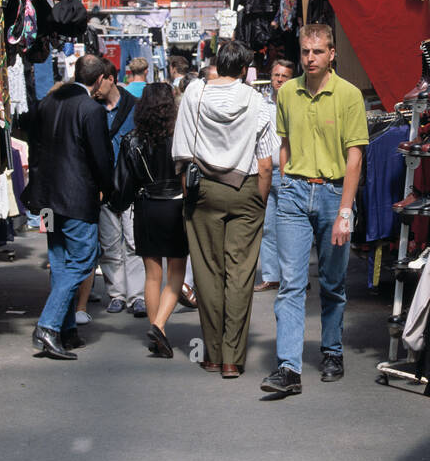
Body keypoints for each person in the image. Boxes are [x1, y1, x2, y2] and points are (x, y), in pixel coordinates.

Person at [262, 25, 368, 397]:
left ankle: (332, 351)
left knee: (333, 282)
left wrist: (345, 211)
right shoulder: (287, 92)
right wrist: (287, 176)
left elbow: (355, 158)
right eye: (305, 51)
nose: (310, 58)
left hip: (333, 193)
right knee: (291, 283)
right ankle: (288, 367)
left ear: (332, 54)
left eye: (317, 52)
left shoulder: (350, 95)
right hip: (293, 194)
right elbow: (285, 143)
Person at [171, 40, 274, 377]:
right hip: (245, 188)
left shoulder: (195, 93)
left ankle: (213, 354)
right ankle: (232, 358)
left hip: (204, 190)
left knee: (207, 272)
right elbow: (266, 161)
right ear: (244, 69)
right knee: (240, 275)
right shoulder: (256, 100)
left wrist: (188, 195)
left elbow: (183, 150)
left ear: (216, 63)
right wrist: (259, 198)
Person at [22, 53, 112, 360]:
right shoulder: (91, 108)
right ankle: (49, 325)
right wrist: (108, 188)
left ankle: (65, 329)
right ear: (99, 79)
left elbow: (34, 147)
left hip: (46, 199)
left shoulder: (46, 104)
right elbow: (101, 158)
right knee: (83, 259)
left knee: (59, 260)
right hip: (75, 198)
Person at [113, 83, 188, 359]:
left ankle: (159, 335)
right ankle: (159, 325)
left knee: (152, 275)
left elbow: (123, 184)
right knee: (176, 271)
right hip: (176, 205)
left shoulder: (131, 139)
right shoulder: (180, 134)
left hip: (146, 206)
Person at [84, 58, 144, 319]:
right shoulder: (92, 108)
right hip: (104, 185)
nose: (95, 87)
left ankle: (137, 296)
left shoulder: (134, 107)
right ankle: (117, 294)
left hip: (132, 184)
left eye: (99, 80)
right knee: (109, 245)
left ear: (110, 78)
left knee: (133, 242)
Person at [254, 59, 295, 293]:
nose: (279, 79)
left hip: (290, 172)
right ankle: (271, 276)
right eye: (276, 75)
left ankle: (292, 276)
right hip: (266, 171)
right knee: (268, 226)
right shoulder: (261, 103)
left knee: (291, 227)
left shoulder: (297, 103)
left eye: (284, 76)